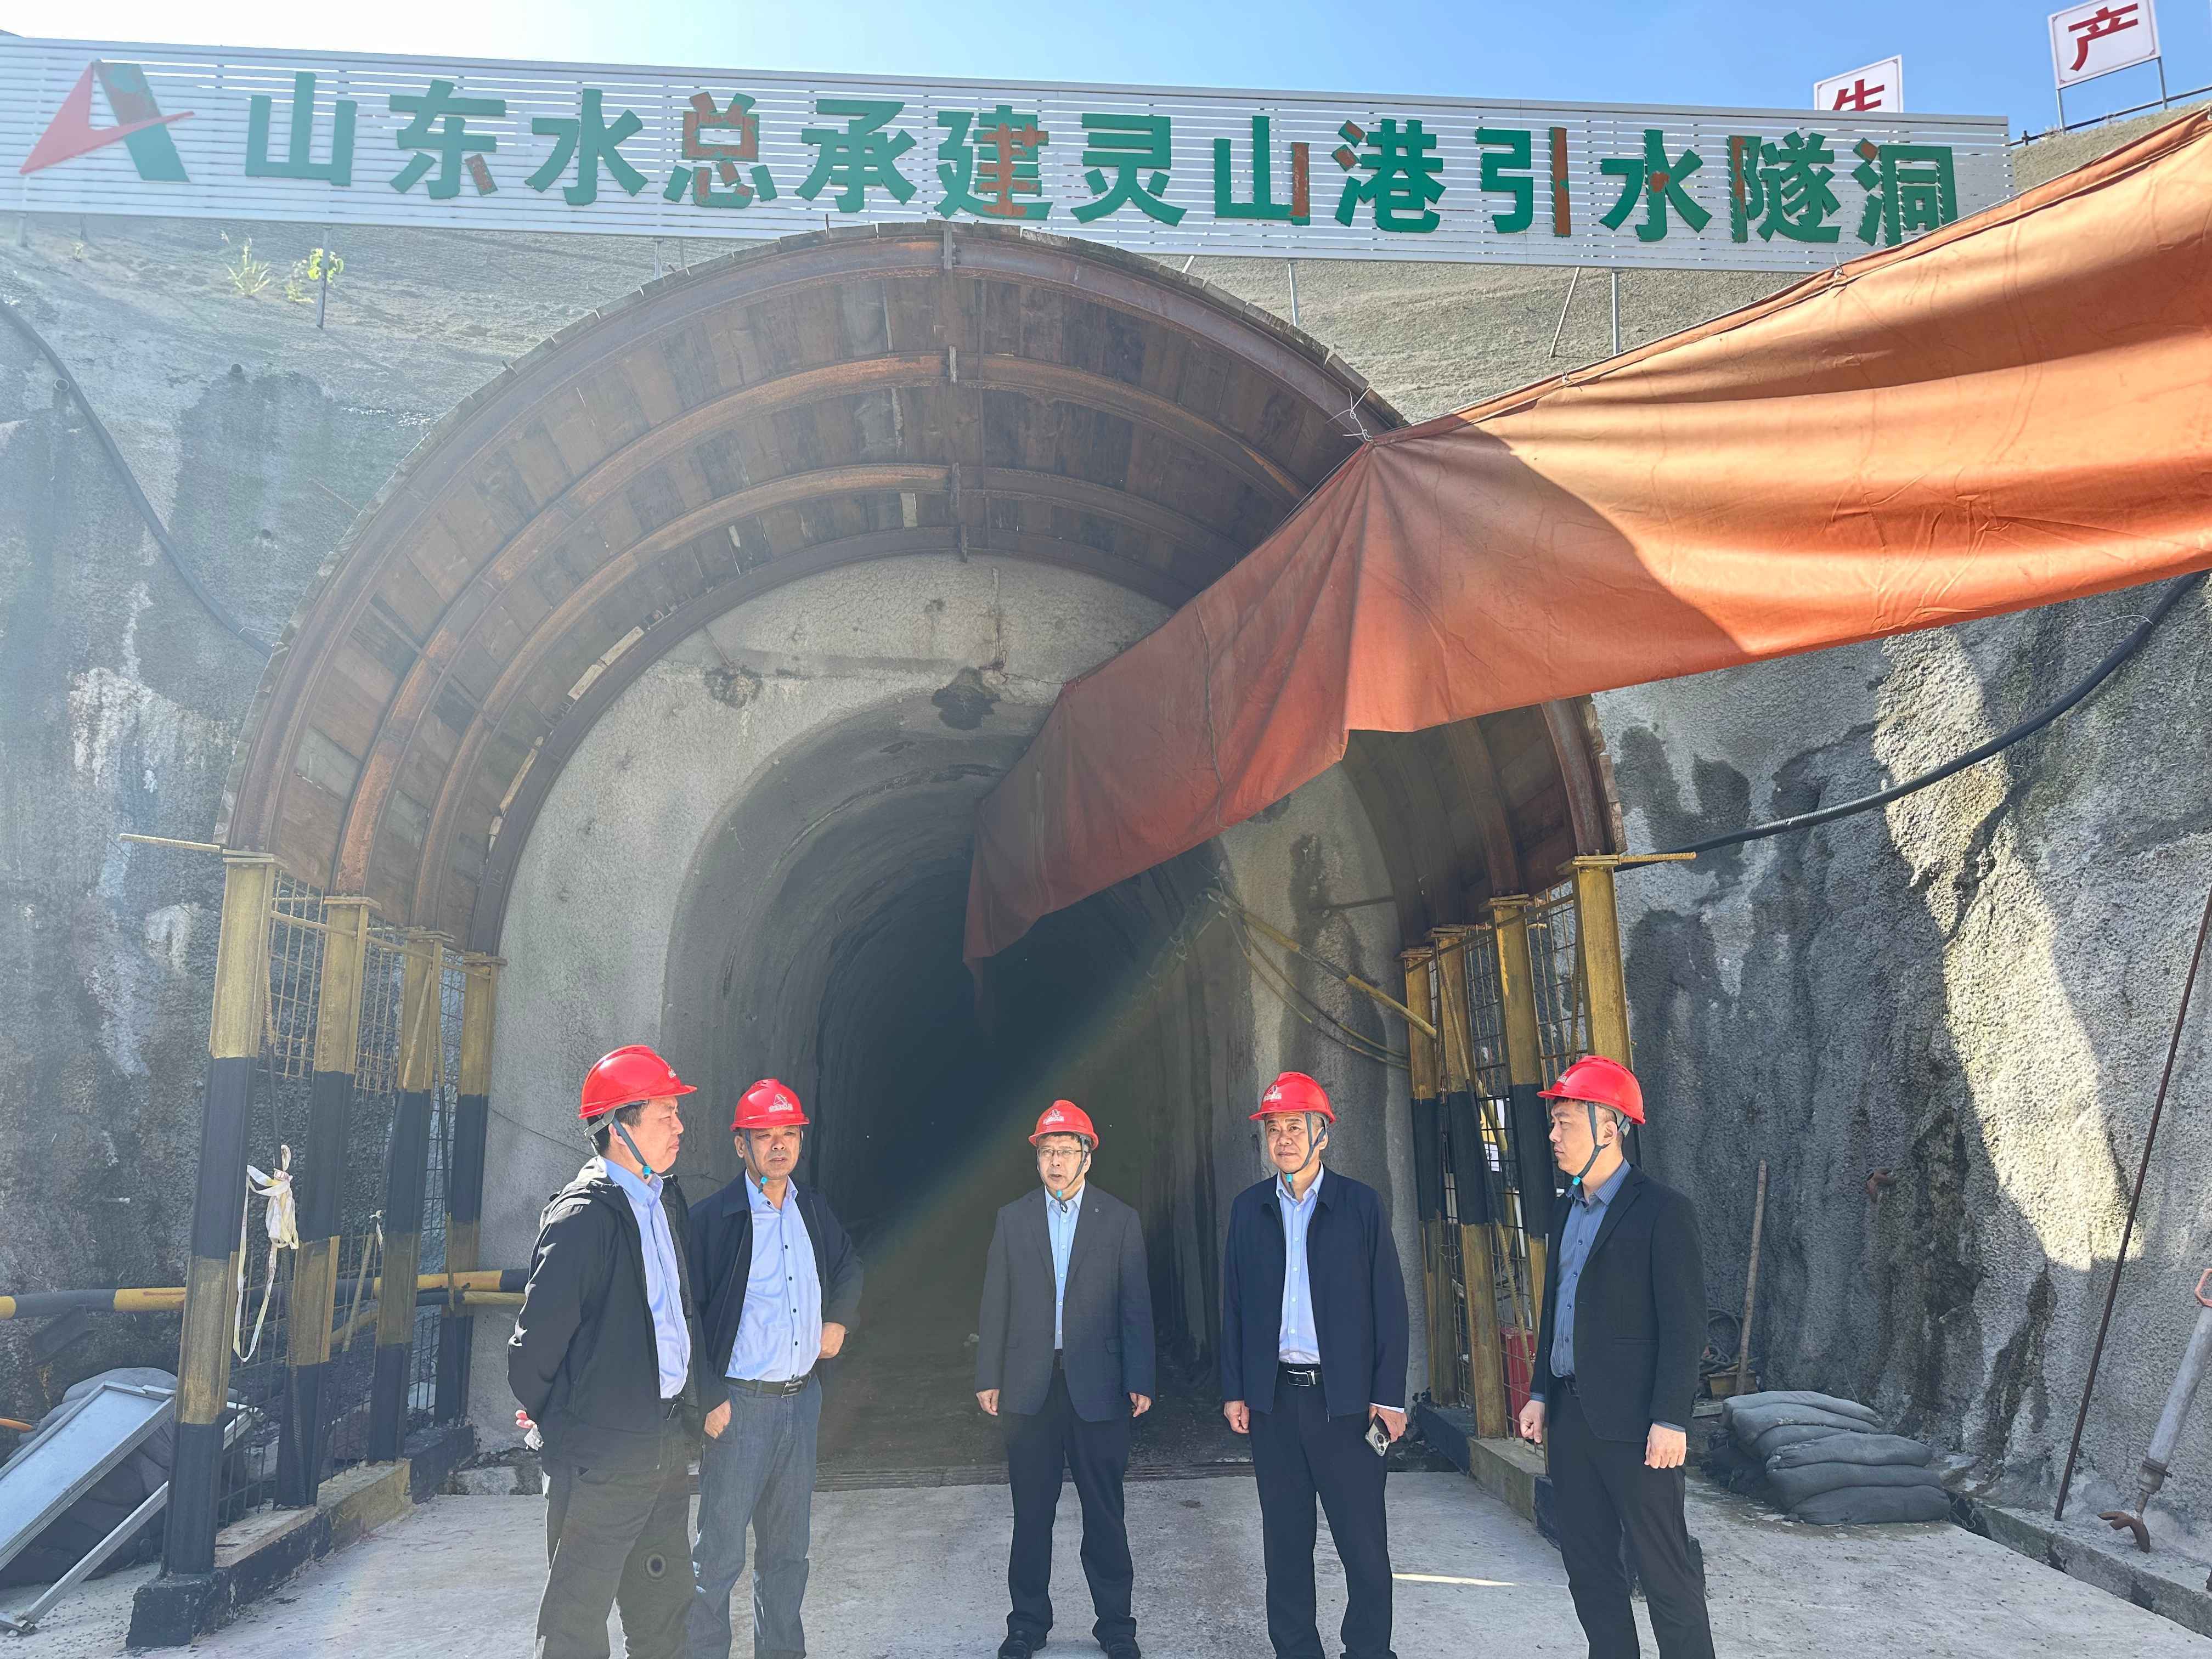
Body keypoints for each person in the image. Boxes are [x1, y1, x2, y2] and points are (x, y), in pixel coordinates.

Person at [1515, 1055, 1714, 1659]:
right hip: (1571, 1419)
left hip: (1638, 1428)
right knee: (1588, 1567)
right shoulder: (1566, 1208)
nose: (1553, 1136)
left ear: (1609, 1128)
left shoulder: (1663, 1211)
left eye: (1566, 1123)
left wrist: (1672, 1418)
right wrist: (1540, 1391)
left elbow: (1685, 1326)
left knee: (1665, 1572)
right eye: (1553, 1123)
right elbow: (1556, 1306)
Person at [510, 1043, 703, 1659]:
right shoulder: (582, 1219)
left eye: (677, 1113)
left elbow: (679, 1315)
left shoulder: (664, 1202)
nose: (679, 1126)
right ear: (619, 1129)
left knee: (665, 1617)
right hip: (601, 1462)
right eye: (665, 1115)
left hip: (662, 1450)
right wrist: (570, 1427)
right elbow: (534, 1350)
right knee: (576, 1626)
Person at [1221, 1071, 1407, 1659]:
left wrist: (1390, 1398)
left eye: (1295, 1127)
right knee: (1285, 1544)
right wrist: (1236, 1389)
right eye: (1274, 1129)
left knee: (1363, 1546)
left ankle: (1369, 1650)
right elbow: (1234, 1306)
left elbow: (1390, 1307)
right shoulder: (1249, 1210)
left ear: (1322, 1133)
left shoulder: (1360, 1206)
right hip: (1275, 1402)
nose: (1283, 1139)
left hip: (1347, 1405)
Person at [686, 1079, 863, 1659]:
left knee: (788, 1554)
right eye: (765, 1136)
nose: (779, 1145)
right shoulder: (714, 1220)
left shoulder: (812, 1209)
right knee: (718, 1557)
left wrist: (838, 1319)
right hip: (740, 1408)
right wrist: (707, 1396)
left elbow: (848, 1266)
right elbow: (688, 1317)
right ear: (741, 1144)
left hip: (801, 1403)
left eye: (789, 1133)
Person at [975, 1101, 1156, 1659]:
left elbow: (1135, 1305)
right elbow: (996, 1301)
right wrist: (989, 1374)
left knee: (1105, 1512)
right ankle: (1027, 1625)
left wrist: (1140, 1376)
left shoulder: (1118, 1220)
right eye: (1047, 1152)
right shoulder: (1013, 1219)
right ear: (1037, 1159)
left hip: (1099, 1386)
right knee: (1032, 1514)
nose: (1055, 1162)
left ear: (1087, 1157)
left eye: (1066, 1151)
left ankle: (1117, 1626)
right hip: (1029, 1387)